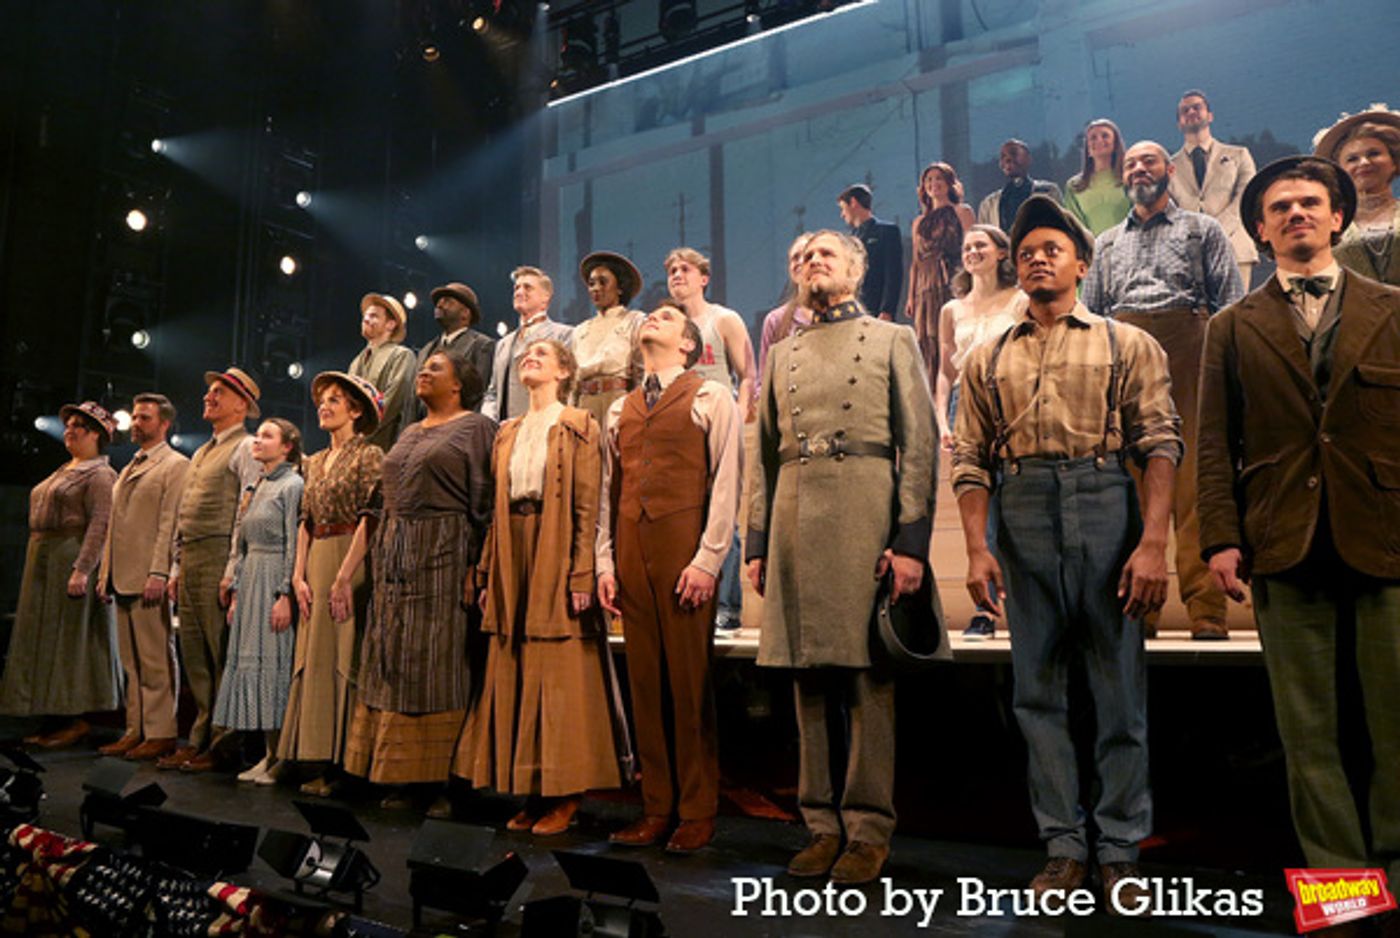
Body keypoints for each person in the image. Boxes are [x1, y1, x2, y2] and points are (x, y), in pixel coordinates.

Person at [953, 195, 1181, 905]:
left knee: (1119, 696)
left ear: (1081, 263)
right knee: (1038, 695)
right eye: (1026, 252)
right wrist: (976, 549)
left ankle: (1118, 850)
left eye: (1052, 248)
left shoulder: (1126, 342)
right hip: (1022, 511)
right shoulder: (984, 355)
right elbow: (968, 459)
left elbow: (1161, 443)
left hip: (1106, 501)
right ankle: (1061, 847)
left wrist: (1152, 544)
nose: (1037, 259)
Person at [1198, 155, 1400, 892]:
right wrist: (1220, 537)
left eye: (1310, 202)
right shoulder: (1230, 326)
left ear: (1338, 216)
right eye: (1280, 207)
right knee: (1308, 737)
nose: (1296, 214)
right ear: (1261, 228)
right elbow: (1215, 442)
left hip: (1386, 540)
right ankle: (1345, 897)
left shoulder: (1393, 308)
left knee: (1396, 730)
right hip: (1281, 543)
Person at [748, 230, 943, 885]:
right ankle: (820, 826)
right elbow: (762, 454)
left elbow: (918, 446)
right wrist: (756, 542)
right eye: (802, 257)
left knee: (866, 679)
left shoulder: (892, 340)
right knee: (806, 679)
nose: (812, 263)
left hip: (865, 509)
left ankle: (865, 831)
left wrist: (911, 540)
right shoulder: (782, 352)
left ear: (857, 269)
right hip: (795, 515)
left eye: (826, 254)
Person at [455, 339, 621, 835]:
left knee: (558, 672)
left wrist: (580, 572)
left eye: (542, 355)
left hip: (554, 543)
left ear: (564, 371)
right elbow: (495, 509)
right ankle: (529, 789)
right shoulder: (507, 432)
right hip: (513, 547)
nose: (531, 358)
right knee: (515, 668)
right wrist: (487, 572)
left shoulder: (578, 425)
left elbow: (588, 504)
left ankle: (564, 794)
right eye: (526, 355)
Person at [1081, 140, 1245, 640]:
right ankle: (1140, 612)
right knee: (1131, 481)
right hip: (1124, 353)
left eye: (1148, 161)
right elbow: (1090, 316)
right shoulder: (1106, 242)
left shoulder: (1203, 229)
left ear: (1168, 170)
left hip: (1189, 347)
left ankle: (1207, 611)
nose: (1137, 169)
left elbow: (1231, 305)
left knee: (1193, 477)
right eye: (1131, 164)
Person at [598, 302, 741, 853]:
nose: (651, 320)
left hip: (684, 547)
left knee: (688, 684)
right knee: (645, 685)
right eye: (649, 317)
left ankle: (697, 809)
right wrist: (606, 563)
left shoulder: (709, 395)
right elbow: (610, 492)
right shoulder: (620, 409)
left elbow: (727, 480)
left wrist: (709, 559)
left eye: (665, 317)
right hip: (633, 550)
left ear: (689, 344)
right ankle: (656, 806)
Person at [342, 350, 495, 816]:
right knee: (392, 661)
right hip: (395, 555)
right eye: (423, 368)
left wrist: (477, 567)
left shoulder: (477, 428)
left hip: (444, 553)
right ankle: (396, 774)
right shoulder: (408, 431)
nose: (423, 373)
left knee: (438, 666)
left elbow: (486, 504)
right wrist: (351, 571)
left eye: (436, 369)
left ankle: (445, 780)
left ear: (459, 385)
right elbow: (378, 503)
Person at [281, 372, 385, 797]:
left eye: (336, 400)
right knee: (314, 655)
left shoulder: (370, 455)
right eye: (323, 400)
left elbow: (371, 516)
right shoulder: (315, 461)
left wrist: (345, 575)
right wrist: (298, 575)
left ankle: (347, 762)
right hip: (317, 557)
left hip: (351, 555)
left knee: (345, 653)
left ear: (356, 411)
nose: (325, 406)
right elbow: (305, 520)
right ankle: (315, 752)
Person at [0, 402, 120, 746]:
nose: (69, 429)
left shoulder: (99, 474)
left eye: (78, 425)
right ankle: (47, 712)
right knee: (39, 633)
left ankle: (72, 717)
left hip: (70, 552)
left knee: (66, 637)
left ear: (96, 434)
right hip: (43, 554)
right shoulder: (66, 468)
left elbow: (101, 523)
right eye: (67, 424)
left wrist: (82, 568)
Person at [161, 368, 263, 771]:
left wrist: (232, 571)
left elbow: (247, 510)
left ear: (242, 405)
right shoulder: (202, 451)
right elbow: (184, 515)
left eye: (220, 392)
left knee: (220, 652)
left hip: (220, 553)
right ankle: (200, 738)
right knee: (195, 655)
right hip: (192, 558)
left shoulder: (246, 446)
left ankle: (223, 744)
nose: (209, 397)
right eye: (209, 392)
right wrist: (174, 567)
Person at [935, 225, 1024, 640]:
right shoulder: (951, 309)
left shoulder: (1020, 299)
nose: (972, 251)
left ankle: (1023, 606)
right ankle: (984, 609)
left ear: (1002, 253)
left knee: (1015, 502)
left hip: (1013, 401)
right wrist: (941, 419)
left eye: (980, 245)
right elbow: (944, 369)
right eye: (967, 247)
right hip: (963, 403)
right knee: (976, 504)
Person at [664, 247, 756, 632]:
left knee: (723, 512)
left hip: (716, 420)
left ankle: (728, 606)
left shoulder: (724, 319)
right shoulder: (668, 325)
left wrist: (738, 411)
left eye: (685, 269)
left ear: (704, 278)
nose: (677, 275)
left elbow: (747, 372)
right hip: (678, 426)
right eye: (671, 270)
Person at [96, 393, 188, 762]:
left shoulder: (175, 465)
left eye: (145, 418)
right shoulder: (130, 465)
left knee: (154, 658)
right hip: (122, 574)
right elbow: (113, 525)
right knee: (131, 661)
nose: (136, 423)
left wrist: (159, 571)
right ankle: (135, 729)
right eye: (135, 417)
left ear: (164, 424)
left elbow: (170, 523)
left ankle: (162, 731)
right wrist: (105, 572)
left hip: (148, 573)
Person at [214, 418, 305, 784]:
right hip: (251, 578)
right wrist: (236, 588)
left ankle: (279, 757)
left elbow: (292, 542)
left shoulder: (292, 484)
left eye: (268, 435)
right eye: (258, 434)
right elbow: (242, 542)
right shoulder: (255, 484)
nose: (258, 440)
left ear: (286, 447)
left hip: (272, 579)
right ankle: (265, 755)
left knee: (273, 667)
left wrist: (284, 594)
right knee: (251, 665)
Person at [1169, 89, 1259, 287]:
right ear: (1179, 123)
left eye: (1197, 107)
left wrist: (1215, 232)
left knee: (1236, 314)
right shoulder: (1169, 167)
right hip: (1188, 256)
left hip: (1234, 248)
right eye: (1185, 110)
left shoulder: (1239, 155)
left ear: (1210, 116)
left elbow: (1246, 197)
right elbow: (1170, 211)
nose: (1191, 111)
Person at [1313, 106, 1400, 285]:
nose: (1364, 163)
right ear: (1340, 171)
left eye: (1374, 153)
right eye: (1352, 159)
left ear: (1394, 162)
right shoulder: (1325, 224)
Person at [907, 161, 975, 383]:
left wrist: (972, 285)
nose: (933, 183)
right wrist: (910, 297)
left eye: (938, 178)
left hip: (952, 281)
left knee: (954, 335)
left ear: (949, 183)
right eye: (928, 180)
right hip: (925, 287)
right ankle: (934, 398)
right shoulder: (919, 222)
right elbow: (916, 262)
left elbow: (972, 248)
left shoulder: (962, 212)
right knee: (928, 339)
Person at [482, 268, 574, 423]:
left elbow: (570, 388)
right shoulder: (503, 344)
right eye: (516, 288)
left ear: (545, 298)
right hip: (506, 433)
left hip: (546, 427)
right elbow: (493, 392)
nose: (519, 292)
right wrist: (489, 422)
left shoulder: (564, 335)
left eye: (527, 287)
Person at [571, 251, 644, 431]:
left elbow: (642, 372)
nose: (596, 288)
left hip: (618, 400)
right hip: (584, 404)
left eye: (603, 282)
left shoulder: (635, 321)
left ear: (619, 287)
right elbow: (572, 382)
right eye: (591, 283)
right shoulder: (580, 330)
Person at [348, 292, 416, 449]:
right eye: (365, 315)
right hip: (353, 446)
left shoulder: (402, 355)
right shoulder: (356, 362)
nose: (366, 319)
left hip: (384, 447)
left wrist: (361, 435)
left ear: (390, 324)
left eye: (374, 316)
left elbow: (393, 402)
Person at [416, 282, 495, 413]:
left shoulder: (482, 346)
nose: (439, 305)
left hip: (457, 428)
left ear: (465, 313)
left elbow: (478, 397)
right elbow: (412, 403)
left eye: (447, 301)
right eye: (439, 302)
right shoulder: (426, 350)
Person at [838, 184, 904, 320]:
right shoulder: (846, 241)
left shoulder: (887, 231)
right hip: (852, 310)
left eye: (843, 208)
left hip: (876, 309)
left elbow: (893, 274)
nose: (842, 214)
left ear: (853, 203)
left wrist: (887, 310)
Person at [976, 139, 1063, 232]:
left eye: (1014, 154)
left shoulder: (1049, 192)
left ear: (1028, 159)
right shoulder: (988, 204)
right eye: (1003, 156)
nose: (1008, 159)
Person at [758, 233, 814, 374]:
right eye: (795, 257)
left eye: (807, 255)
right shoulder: (776, 320)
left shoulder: (841, 316)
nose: (800, 261)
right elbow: (764, 380)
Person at [1064, 118, 1131, 236]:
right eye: (1093, 138)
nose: (1099, 140)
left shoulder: (1129, 178)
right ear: (1087, 148)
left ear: (1116, 144)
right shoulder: (1074, 186)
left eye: (1105, 136)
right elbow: (1074, 226)